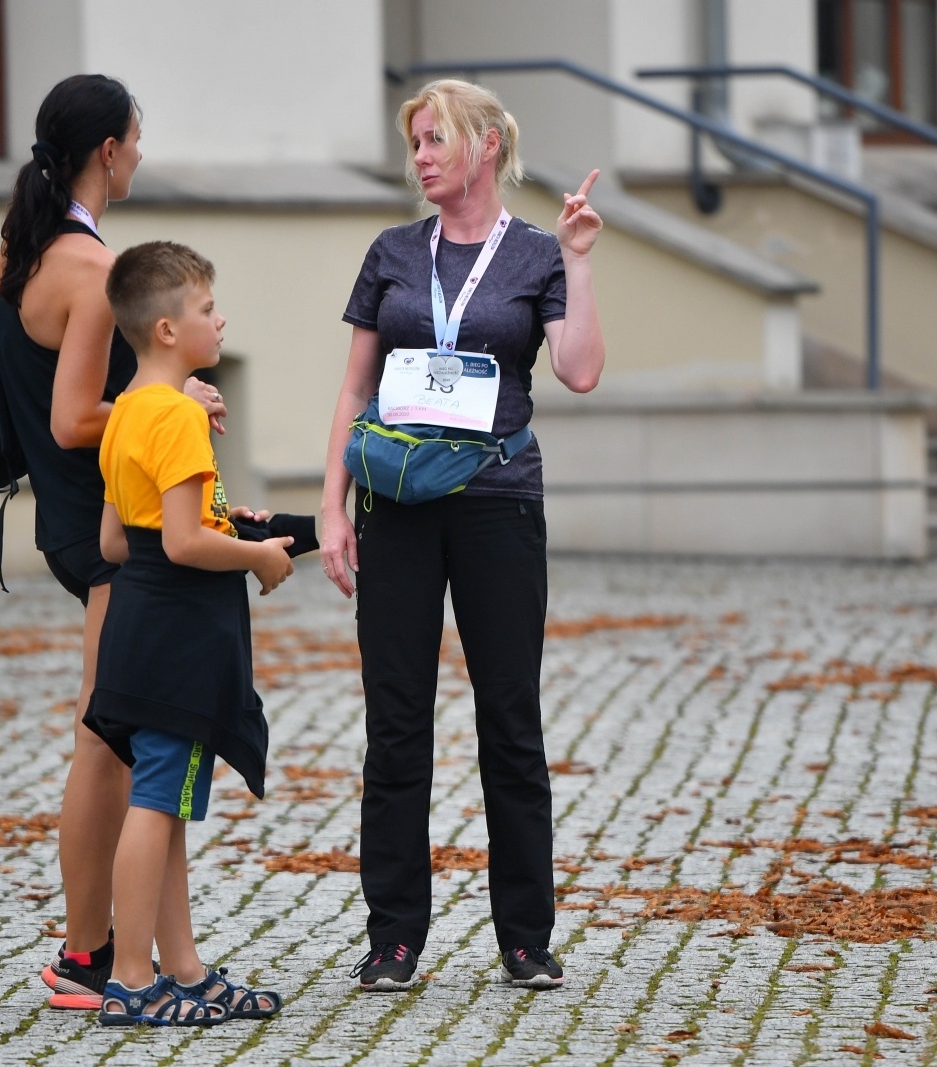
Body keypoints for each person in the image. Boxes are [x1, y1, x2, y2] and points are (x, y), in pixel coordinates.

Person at [318, 78, 605, 991]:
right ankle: (394, 936)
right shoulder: (393, 251)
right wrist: (332, 504)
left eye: (437, 138)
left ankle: (525, 936)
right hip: (397, 503)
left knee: (509, 721)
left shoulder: (535, 256)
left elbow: (582, 370)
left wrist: (580, 260)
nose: (422, 155)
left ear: (486, 146)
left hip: (497, 498)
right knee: (395, 725)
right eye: (416, 143)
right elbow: (354, 388)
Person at [0, 74, 227, 1011]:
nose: (141, 151)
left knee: (111, 730)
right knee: (106, 736)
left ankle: (111, 948)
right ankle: (89, 956)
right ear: (110, 153)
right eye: (137, 136)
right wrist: (167, 401)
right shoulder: (90, 270)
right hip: (108, 533)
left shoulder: (22, 251)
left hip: (75, 523)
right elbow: (70, 415)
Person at [91, 241, 293, 1026]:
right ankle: (134, 979)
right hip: (179, 633)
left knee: (164, 801)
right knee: (155, 803)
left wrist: (215, 521)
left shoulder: (129, 411)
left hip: (139, 624)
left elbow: (117, 542)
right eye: (208, 309)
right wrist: (256, 557)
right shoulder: (175, 414)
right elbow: (181, 543)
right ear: (169, 329)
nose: (220, 318)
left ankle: (183, 968)